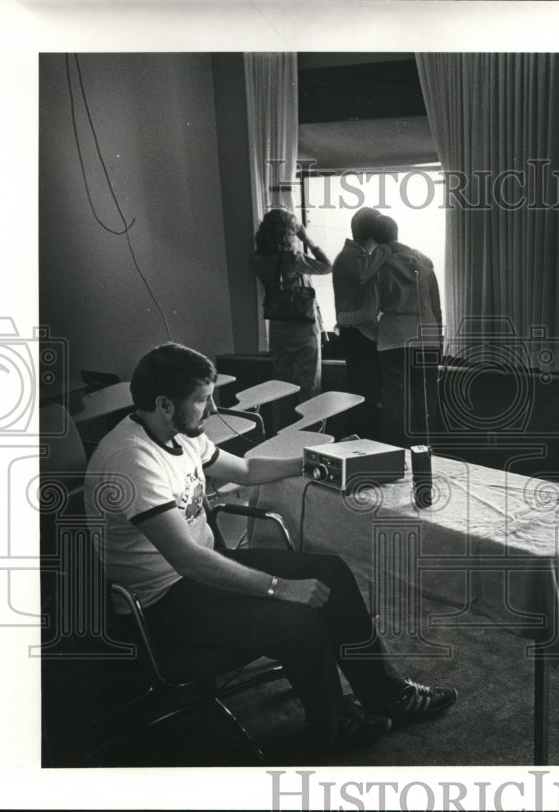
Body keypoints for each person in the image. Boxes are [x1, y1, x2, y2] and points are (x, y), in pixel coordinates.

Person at [84, 343, 458, 756]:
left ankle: (387, 694)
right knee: (299, 620)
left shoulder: (178, 433)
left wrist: (312, 461)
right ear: (164, 404)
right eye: (202, 401)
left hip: (204, 572)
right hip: (163, 601)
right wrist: (278, 587)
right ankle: (330, 730)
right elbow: (186, 559)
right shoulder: (132, 459)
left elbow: (244, 469)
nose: (211, 411)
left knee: (330, 570)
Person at [371, 214, 443, 449]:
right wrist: (438, 341)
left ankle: (397, 456)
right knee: (426, 400)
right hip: (427, 336)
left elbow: (372, 307)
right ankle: (428, 456)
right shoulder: (424, 262)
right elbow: (436, 306)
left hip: (393, 339)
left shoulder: (378, 266)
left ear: (375, 239)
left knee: (396, 403)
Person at [253, 209, 332, 402]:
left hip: (278, 327)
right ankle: (308, 430)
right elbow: (327, 266)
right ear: (289, 232)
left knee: (281, 388)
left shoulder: (258, 258)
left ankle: (281, 430)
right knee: (309, 387)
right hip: (303, 327)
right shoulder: (293, 258)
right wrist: (307, 239)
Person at [332, 208, 390, 439]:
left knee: (364, 391)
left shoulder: (352, 256)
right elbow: (363, 274)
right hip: (358, 334)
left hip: (357, 332)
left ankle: (362, 439)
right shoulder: (352, 258)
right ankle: (362, 440)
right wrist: (386, 249)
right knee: (364, 392)